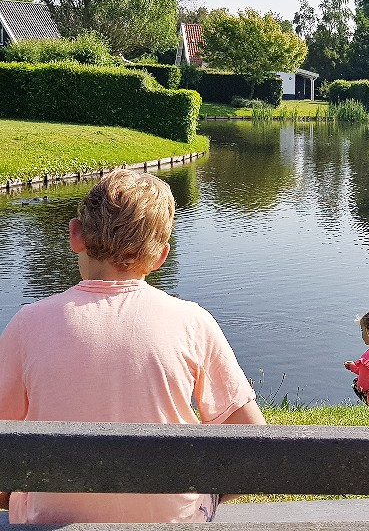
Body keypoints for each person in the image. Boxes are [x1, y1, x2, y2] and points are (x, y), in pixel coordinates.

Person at [0, 169, 266, 524]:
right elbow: (255, 446)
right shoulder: (191, 323)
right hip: (171, 523)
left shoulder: (27, 325)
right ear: (159, 258)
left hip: (50, 522)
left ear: (75, 235)